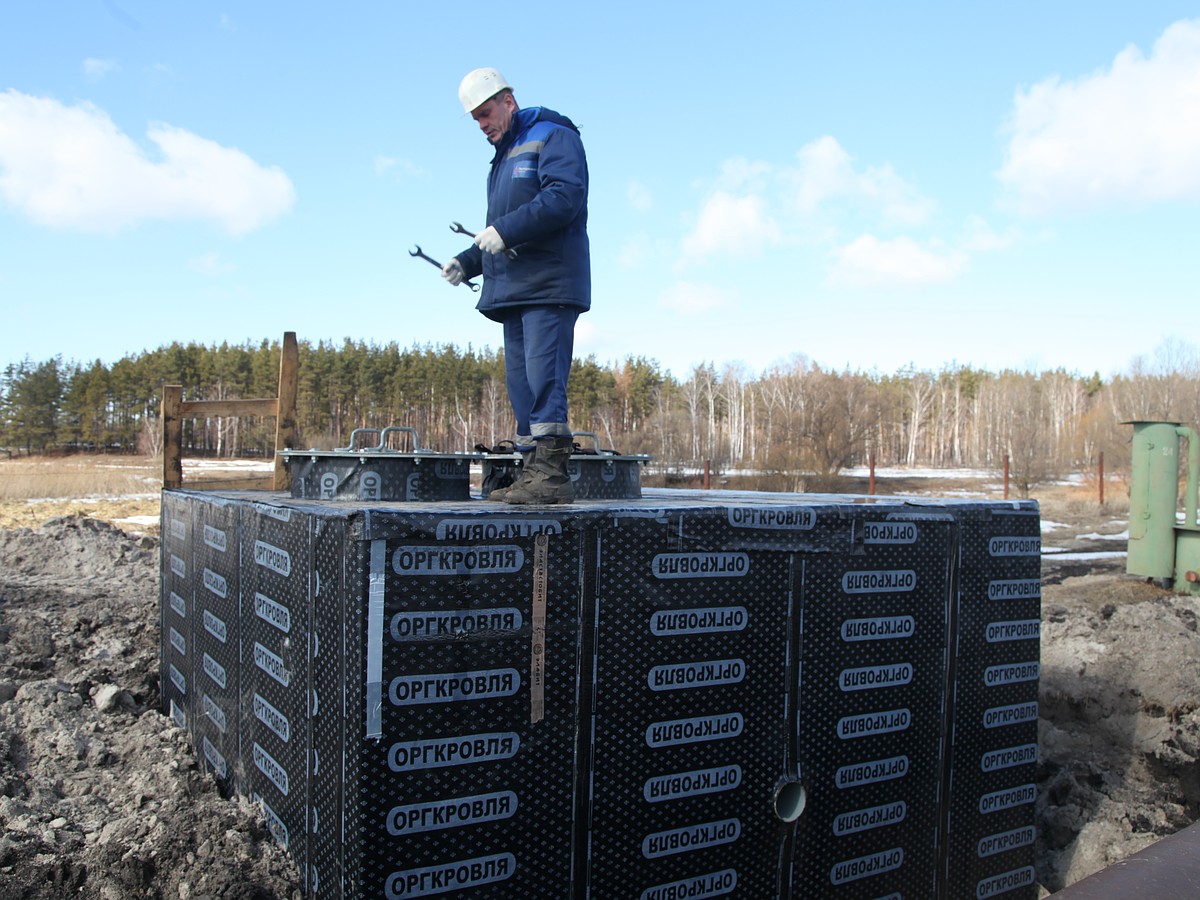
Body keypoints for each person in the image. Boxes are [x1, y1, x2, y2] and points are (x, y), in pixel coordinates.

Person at [442, 67, 590, 505]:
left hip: (549, 283)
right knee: (521, 386)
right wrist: (467, 262)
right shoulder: (503, 157)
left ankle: (551, 476)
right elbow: (498, 232)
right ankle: (532, 472)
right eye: (476, 119)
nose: (483, 124)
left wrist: (504, 230)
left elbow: (564, 197)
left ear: (509, 100)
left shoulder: (553, 135)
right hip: (515, 289)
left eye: (487, 113)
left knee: (544, 380)